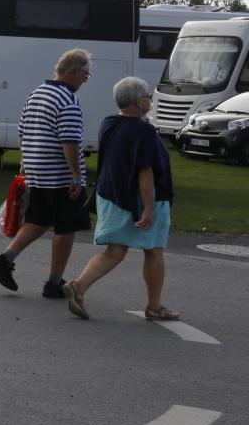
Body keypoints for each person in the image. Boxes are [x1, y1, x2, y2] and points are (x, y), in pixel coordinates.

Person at [63, 77, 177, 320]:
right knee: (154, 249)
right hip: (140, 200)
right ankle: (154, 306)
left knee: (115, 250)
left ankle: (78, 286)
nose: (150, 99)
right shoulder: (144, 132)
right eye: (147, 95)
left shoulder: (109, 123)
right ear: (138, 102)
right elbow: (145, 172)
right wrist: (148, 208)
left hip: (112, 195)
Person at [0, 49, 91, 296]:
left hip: (37, 172)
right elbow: (69, 141)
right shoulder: (67, 99)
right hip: (60, 176)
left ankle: (5, 258)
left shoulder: (37, 93)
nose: (84, 81)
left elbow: (22, 131)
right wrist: (76, 175)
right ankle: (54, 282)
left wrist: (25, 161)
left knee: (39, 220)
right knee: (66, 228)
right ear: (75, 71)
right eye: (85, 76)